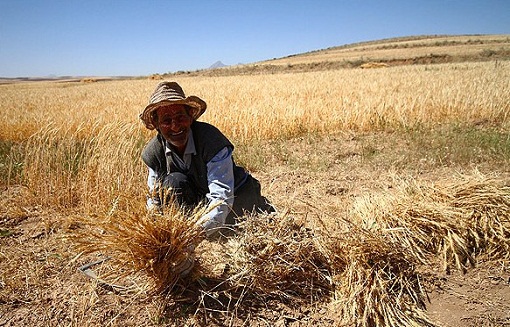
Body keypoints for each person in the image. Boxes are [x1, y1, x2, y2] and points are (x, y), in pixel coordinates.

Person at [139, 81, 274, 240]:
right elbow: (154, 199)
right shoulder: (154, 152)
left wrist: (194, 234)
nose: (175, 126)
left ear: (190, 117)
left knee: (236, 224)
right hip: (199, 199)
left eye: (180, 117)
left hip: (237, 198)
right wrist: (155, 232)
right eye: (166, 120)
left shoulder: (211, 140)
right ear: (156, 124)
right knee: (172, 183)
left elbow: (222, 198)